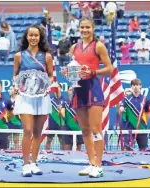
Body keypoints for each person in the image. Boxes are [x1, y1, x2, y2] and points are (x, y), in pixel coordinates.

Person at [61, 17, 113, 178]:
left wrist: (94, 72)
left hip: (93, 88)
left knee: (96, 129)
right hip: (78, 90)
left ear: (93, 29)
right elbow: (75, 68)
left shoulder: (99, 46)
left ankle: (99, 165)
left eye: (87, 27)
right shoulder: (75, 47)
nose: (84, 30)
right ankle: (91, 163)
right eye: (82, 27)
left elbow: (110, 68)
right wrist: (67, 73)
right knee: (85, 130)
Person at [12, 24, 53, 177]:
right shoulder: (19, 56)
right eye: (31, 35)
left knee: (37, 132)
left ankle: (34, 163)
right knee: (27, 130)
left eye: (36, 35)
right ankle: (25, 164)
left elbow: (51, 75)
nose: (34, 38)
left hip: (41, 97)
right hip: (24, 97)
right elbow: (15, 75)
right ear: (27, 37)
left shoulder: (47, 56)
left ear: (40, 37)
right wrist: (15, 86)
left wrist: (47, 85)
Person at [119, 79, 150, 151]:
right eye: (134, 85)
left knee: (143, 150)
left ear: (140, 86)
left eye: (137, 85)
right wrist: (121, 108)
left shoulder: (145, 99)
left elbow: (148, 113)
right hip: (129, 129)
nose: (136, 87)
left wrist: (145, 123)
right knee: (127, 149)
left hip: (141, 128)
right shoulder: (126, 99)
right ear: (131, 86)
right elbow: (121, 107)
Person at [45, 83, 66, 150]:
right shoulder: (49, 100)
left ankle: (63, 157)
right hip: (52, 125)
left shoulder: (65, 100)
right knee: (48, 141)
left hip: (61, 124)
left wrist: (60, 111)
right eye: (55, 87)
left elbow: (63, 114)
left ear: (61, 89)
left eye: (58, 87)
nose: (57, 89)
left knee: (62, 142)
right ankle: (46, 155)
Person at [64, 86, 83, 151]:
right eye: (69, 90)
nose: (71, 91)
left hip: (78, 127)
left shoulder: (80, 102)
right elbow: (62, 116)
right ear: (67, 91)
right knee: (67, 148)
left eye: (72, 90)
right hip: (68, 128)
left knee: (78, 149)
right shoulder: (64, 103)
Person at [6, 85, 22, 150]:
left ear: (15, 91)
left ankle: (17, 152)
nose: (9, 90)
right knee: (7, 140)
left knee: (16, 140)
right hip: (8, 123)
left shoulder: (20, 101)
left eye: (11, 89)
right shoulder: (7, 101)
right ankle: (6, 153)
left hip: (17, 123)